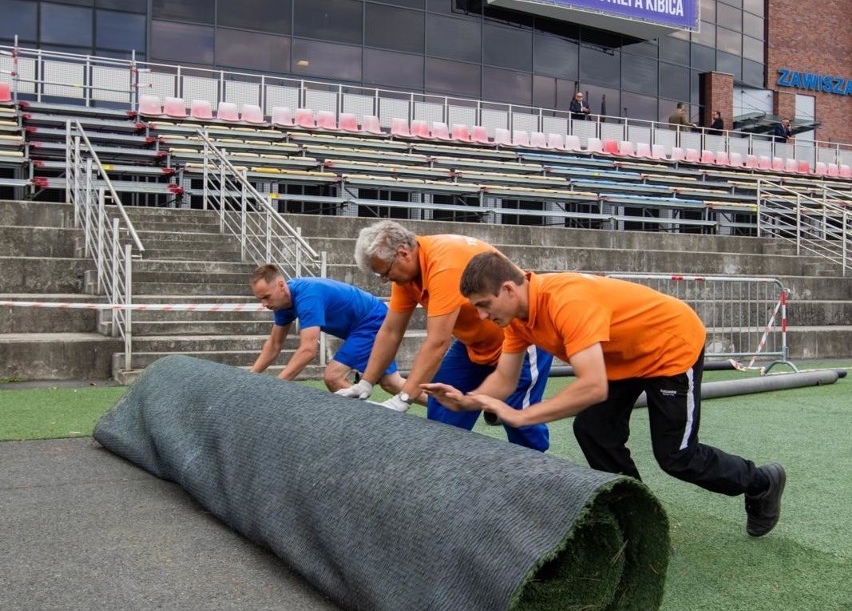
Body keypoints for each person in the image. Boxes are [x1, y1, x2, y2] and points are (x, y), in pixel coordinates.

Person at [425, 252, 786, 538]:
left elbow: (592, 386)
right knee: (593, 430)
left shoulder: (565, 302)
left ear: (508, 289)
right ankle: (639, 519)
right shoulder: (518, 319)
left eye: (484, 305)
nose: (481, 315)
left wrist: (525, 416)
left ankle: (762, 482)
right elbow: (504, 379)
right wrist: (468, 400)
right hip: (620, 358)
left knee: (677, 456)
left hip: (670, 348)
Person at [335, 222, 553, 452]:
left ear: (403, 254)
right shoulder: (407, 276)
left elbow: (438, 343)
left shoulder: (443, 263)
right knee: (443, 403)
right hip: (476, 345)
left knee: (519, 418)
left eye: (385, 273)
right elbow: (390, 331)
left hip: (522, 337)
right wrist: (366, 383)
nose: (384, 280)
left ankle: (543, 480)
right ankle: (445, 474)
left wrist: (404, 398)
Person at [249, 265, 408, 394]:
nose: (264, 304)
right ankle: (433, 403)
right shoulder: (281, 304)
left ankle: (376, 424)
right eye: (260, 299)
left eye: (266, 297)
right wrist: (249, 378)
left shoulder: (307, 298)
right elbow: (274, 345)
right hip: (363, 323)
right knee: (390, 383)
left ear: (281, 286)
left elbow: (308, 350)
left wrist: (277, 386)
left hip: (372, 320)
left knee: (333, 377)